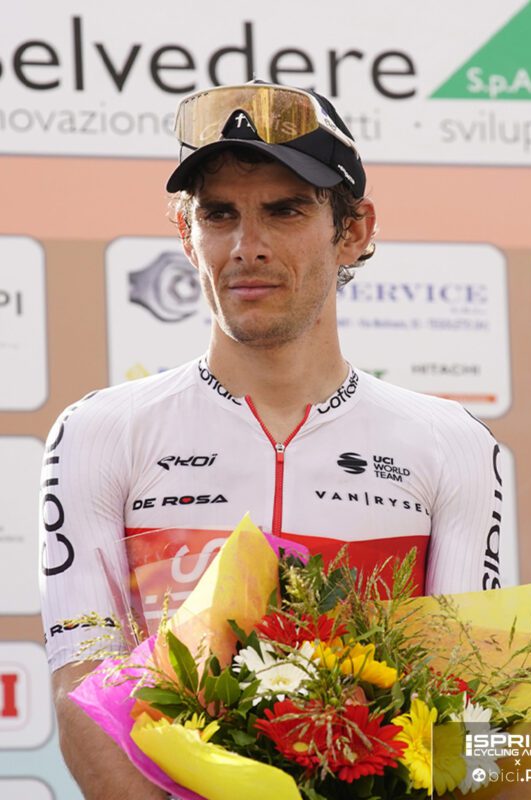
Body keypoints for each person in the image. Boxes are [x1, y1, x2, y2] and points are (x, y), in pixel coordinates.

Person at [39, 81, 502, 799]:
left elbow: (472, 706)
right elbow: (83, 682)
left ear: (354, 231)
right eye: (218, 214)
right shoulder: (97, 431)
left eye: (285, 210)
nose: (246, 247)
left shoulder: (454, 443)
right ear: (187, 235)